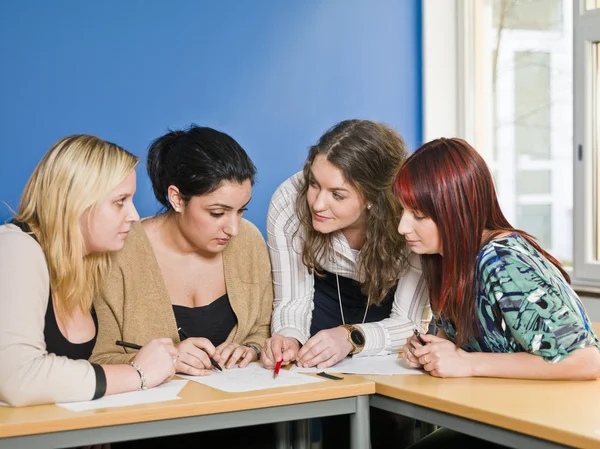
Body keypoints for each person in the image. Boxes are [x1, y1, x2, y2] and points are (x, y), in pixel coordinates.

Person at [396, 138, 600, 448]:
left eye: (419, 215)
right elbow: (456, 342)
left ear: (456, 210)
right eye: (403, 211)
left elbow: (585, 361)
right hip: (503, 418)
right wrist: (427, 350)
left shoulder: (502, 261)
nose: (402, 227)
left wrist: (466, 363)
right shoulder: (448, 260)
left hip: (552, 426)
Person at [90, 125, 274, 448]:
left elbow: (263, 328)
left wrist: (252, 350)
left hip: (245, 426)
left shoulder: (249, 244)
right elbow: (95, 361)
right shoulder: (119, 253)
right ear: (176, 198)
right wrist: (169, 358)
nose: (233, 228)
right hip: (149, 432)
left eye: (241, 210)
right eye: (218, 212)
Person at [262, 119, 431, 449]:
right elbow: (292, 299)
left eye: (337, 195)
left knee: (389, 417)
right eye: (314, 184)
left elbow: (410, 322)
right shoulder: (288, 201)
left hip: (390, 299)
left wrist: (352, 336)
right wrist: (289, 336)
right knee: (332, 399)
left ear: (372, 198)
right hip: (325, 290)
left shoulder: (410, 219)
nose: (317, 203)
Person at [0, 135, 177, 407]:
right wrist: (138, 374)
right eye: (120, 201)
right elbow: (16, 378)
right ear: (76, 201)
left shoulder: (90, 261)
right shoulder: (14, 247)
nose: (133, 215)